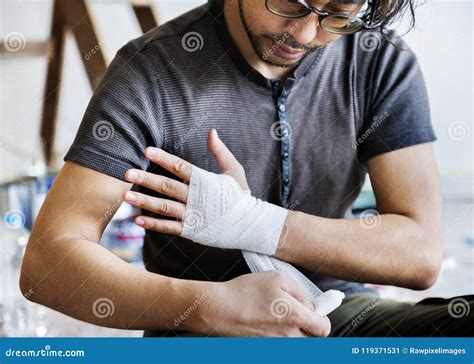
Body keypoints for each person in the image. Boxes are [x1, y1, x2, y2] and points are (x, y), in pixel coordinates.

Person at [21, 0, 473, 337]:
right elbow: (48, 262)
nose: (305, 32)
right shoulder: (150, 73)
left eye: (337, 13)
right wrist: (207, 306)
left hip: (338, 310)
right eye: (290, 3)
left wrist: (254, 225)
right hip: (200, 329)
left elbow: (419, 253)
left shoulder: (378, 58)